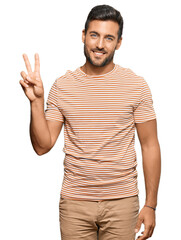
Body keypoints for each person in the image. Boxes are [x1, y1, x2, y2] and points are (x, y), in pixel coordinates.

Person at [19, 4, 161, 240]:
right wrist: (36, 102)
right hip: (75, 204)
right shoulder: (62, 86)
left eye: (109, 38)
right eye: (94, 35)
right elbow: (42, 146)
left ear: (118, 43)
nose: (99, 44)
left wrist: (151, 205)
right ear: (83, 35)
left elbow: (150, 145)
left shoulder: (136, 86)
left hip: (122, 203)